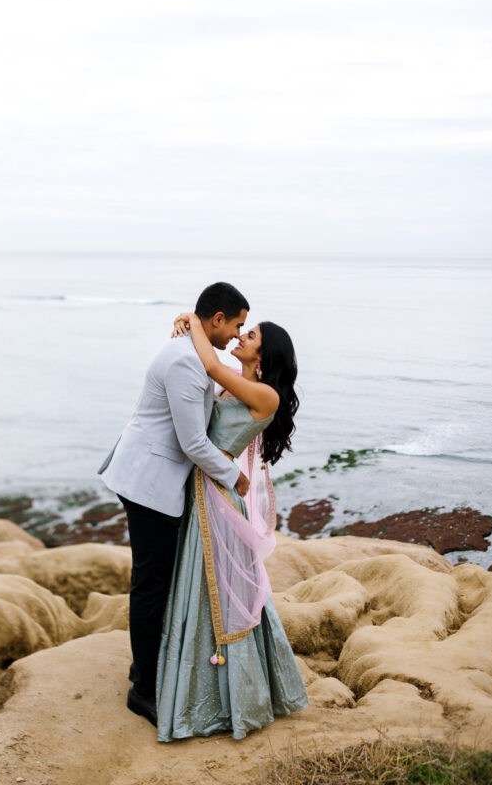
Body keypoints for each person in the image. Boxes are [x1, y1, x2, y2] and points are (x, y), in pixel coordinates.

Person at [98, 282, 252, 727]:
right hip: (149, 480)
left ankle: (143, 669)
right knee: (151, 584)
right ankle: (142, 689)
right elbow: (192, 443)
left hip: (153, 473)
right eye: (237, 324)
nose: (237, 335)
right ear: (217, 319)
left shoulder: (193, 346)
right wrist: (234, 476)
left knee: (154, 580)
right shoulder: (186, 360)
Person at [156, 312, 308, 741]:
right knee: (201, 589)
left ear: (265, 354)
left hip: (218, 498)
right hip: (204, 487)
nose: (241, 336)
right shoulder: (233, 385)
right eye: (243, 330)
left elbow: (211, 365)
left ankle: (231, 699)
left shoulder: (266, 396)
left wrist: (194, 322)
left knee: (222, 594)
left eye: (251, 335)